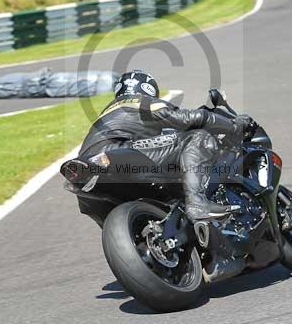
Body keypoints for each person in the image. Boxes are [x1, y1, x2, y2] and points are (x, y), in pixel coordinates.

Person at [78, 70, 254, 221]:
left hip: (86, 175)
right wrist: (234, 126)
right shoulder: (138, 101)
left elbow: (160, 138)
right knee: (198, 138)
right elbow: (192, 118)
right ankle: (198, 203)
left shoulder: (107, 114)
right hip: (114, 154)